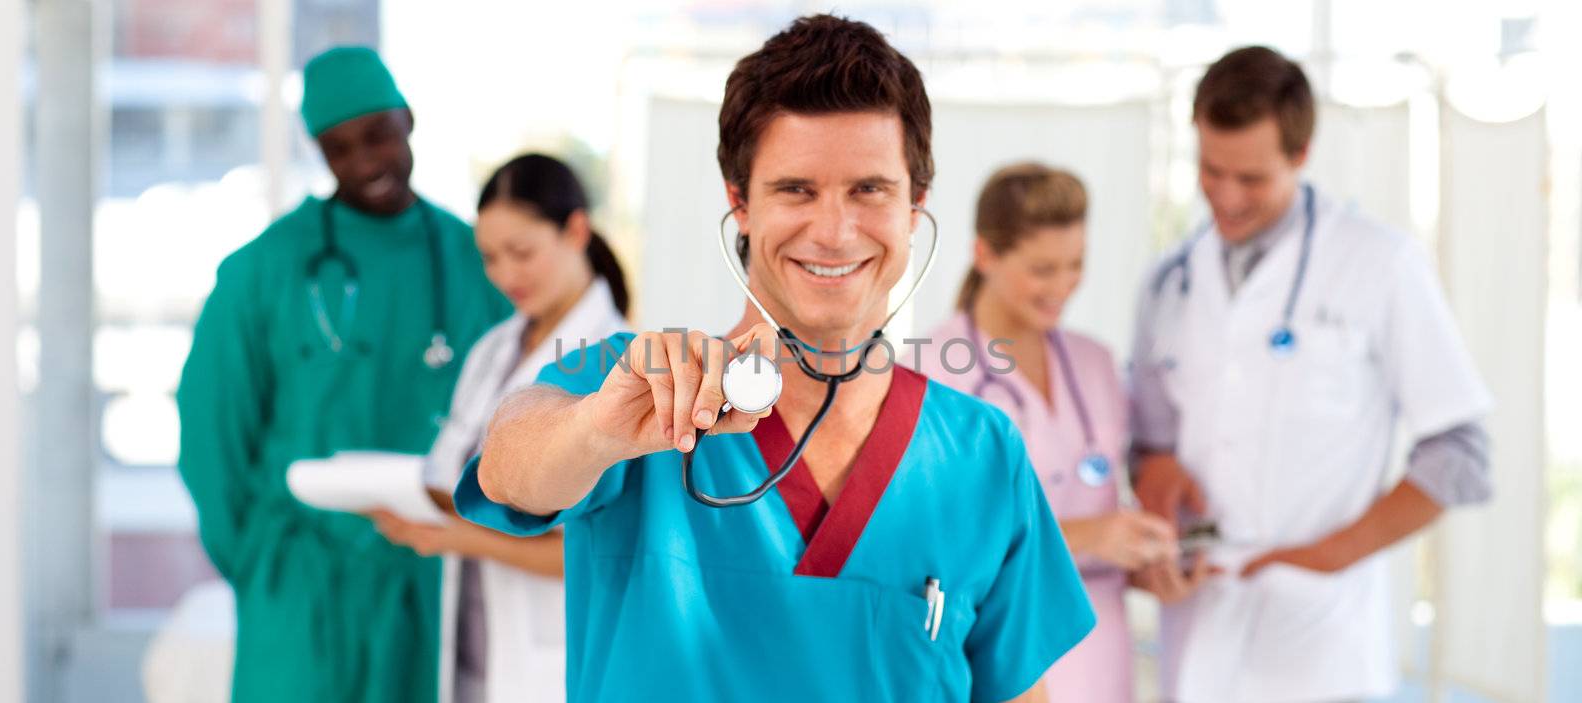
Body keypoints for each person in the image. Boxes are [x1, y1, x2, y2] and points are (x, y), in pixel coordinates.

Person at [454, 15, 1093, 703]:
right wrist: (594, 431)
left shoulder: (982, 453)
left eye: (869, 189)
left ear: (915, 208)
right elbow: (510, 463)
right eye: (796, 189)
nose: (834, 230)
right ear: (740, 202)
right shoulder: (640, 387)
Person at [1128, 46, 1493, 702]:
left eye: (1252, 178)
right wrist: (1158, 484)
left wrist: (1331, 554)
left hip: (1321, 637)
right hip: (1201, 623)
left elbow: (1461, 451)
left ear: (1300, 155)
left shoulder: (1379, 264)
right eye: (1212, 172)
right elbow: (1149, 444)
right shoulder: (1170, 280)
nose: (1227, 198)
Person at [176, 46, 510, 702]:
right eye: (339, 148)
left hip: (428, 569)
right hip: (300, 578)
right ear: (319, 153)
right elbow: (211, 432)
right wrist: (254, 560)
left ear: (408, 119)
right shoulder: (262, 270)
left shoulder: (476, 262)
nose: (366, 162)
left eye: (379, 136)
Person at [369, 153, 631, 703]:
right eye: (490, 258)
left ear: (576, 230)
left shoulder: (616, 366)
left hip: (546, 664)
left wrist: (458, 536)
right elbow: (457, 480)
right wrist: (402, 497)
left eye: (522, 253)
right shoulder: (494, 349)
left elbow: (593, 547)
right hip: (472, 652)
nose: (506, 275)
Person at [909, 163, 1175, 703]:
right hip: (996, 665)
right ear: (985, 254)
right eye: (1042, 269)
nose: (1063, 286)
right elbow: (928, 544)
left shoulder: (1096, 364)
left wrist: (1150, 561)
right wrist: (1091, 536)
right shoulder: (929, 372)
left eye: (1075, 266)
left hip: (1100, 657)